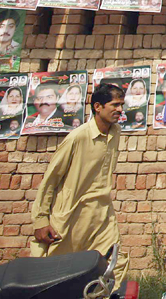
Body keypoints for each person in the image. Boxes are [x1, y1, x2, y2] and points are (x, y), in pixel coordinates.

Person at [30, 83, 128, 286]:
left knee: (113, 265)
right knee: (57, 274)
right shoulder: (77, 137)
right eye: (115, 105)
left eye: (121, 105)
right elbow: (50, 180)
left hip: (101, 215)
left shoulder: (115, 132)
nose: (120, 110)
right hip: (71, 215)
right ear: (98, 107)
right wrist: (40, 220)